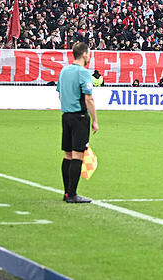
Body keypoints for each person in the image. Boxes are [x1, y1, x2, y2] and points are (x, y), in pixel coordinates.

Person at [57, 42, 98, 204]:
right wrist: (94, 120)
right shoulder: (83, 73)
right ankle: (73, 194)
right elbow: (89, 98)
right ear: (84, 54)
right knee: (77, 155)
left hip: (66, 116)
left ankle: (67, 192)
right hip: (79, 117)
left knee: (67, 155)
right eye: (89, 54)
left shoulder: (64, 70)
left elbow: (60, 94)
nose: (89, 56)